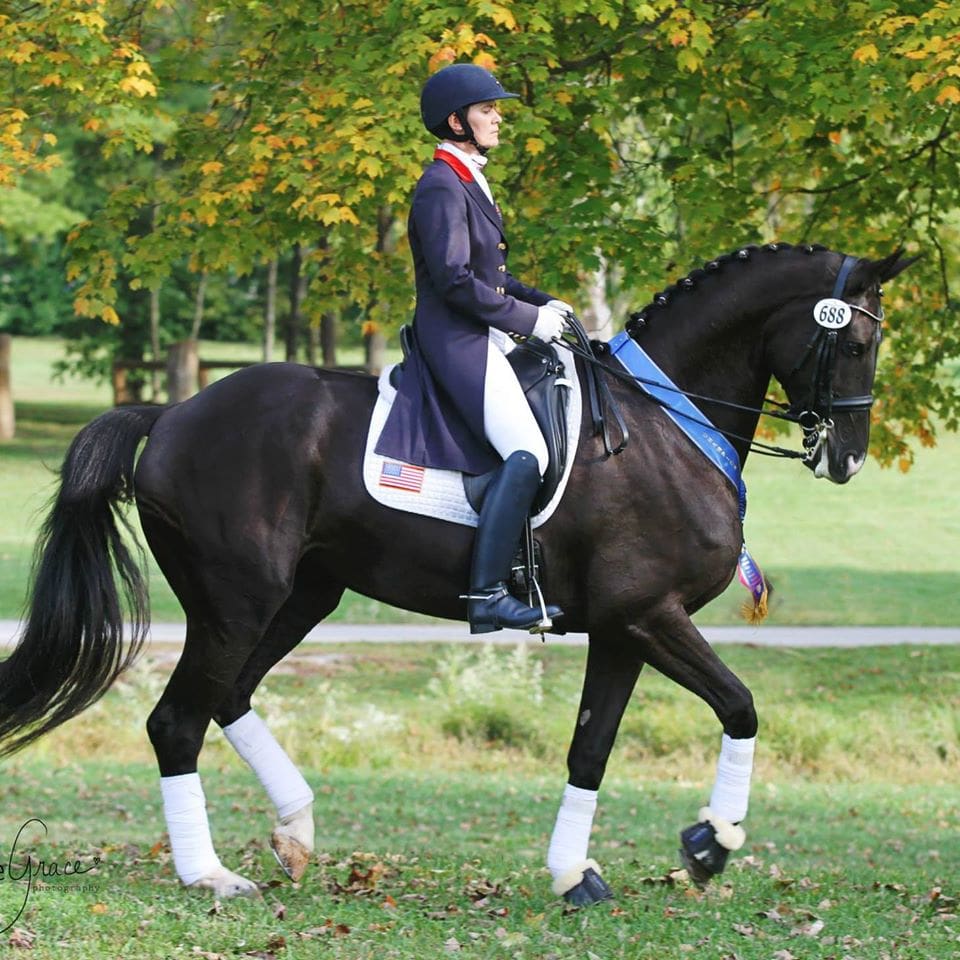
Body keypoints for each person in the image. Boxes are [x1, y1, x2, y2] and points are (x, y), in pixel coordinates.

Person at [375, 62, 571, 634]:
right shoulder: (440, 185)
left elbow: (495, 277)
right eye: (488, 110)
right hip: (454, 339)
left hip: (479, 331)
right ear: (456, 120)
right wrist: (529, 322)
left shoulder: (468, 178)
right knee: (527, 453)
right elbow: (457, 281)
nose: (498, 117)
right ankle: (487, 594)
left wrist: (547, 305)